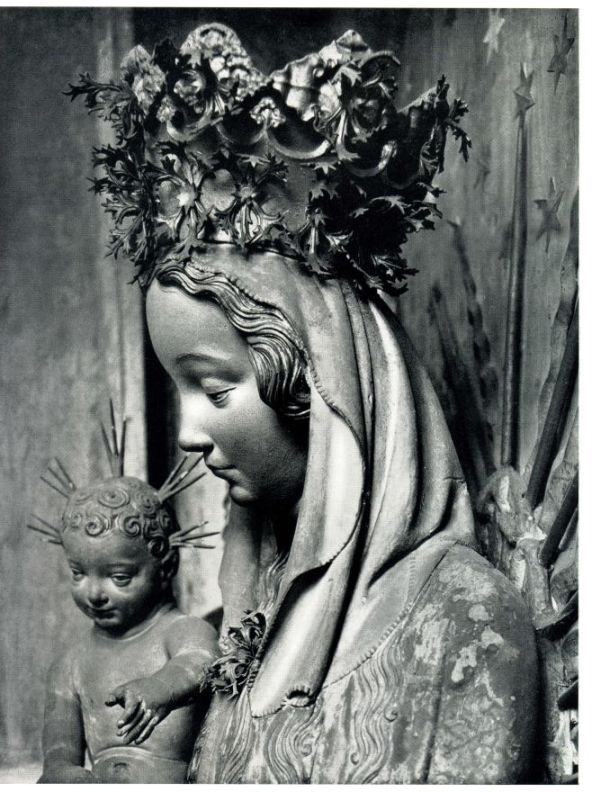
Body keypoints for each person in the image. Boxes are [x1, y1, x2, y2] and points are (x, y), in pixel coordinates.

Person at [70, 23, 539, 783]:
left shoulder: (461, 626)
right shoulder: (234, 628)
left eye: (214, 388)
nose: (189, 433)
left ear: (324, 386)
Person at [32, 440, 218, 783]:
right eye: (78, 573)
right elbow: (60, 749)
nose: (94, 593)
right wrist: (62, 773)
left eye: (119, 577)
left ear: (166, 566)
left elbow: (201, 662)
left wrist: (160, 687)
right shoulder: (70, 665)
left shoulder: (182, 630)